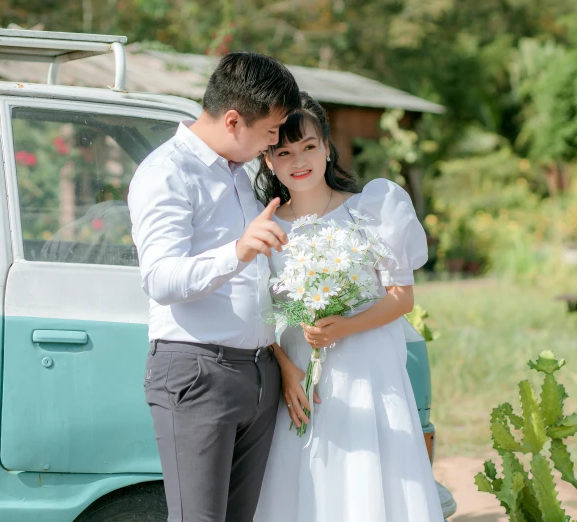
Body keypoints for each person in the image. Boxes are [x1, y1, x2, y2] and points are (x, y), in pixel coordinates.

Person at [253, 93, 445, 522]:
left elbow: (403, 297)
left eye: (308, 146)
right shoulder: (263, 225)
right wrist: (285, 367)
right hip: (301, 378)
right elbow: (256, 310)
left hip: (366, 370)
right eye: (284, 152)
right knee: (308, 482)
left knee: (368, 482)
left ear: (326, 147)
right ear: (268, 161)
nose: (298, 160)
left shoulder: (369, 210)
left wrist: (343, 328)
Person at [128, 51, 301, 522]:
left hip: (257, 374)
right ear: (232, 120)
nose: (274, 143)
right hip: (199, 371)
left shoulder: (239, 174)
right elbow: (161, 279)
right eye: (270, 131)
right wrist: (237, 252)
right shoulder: (166, 173)